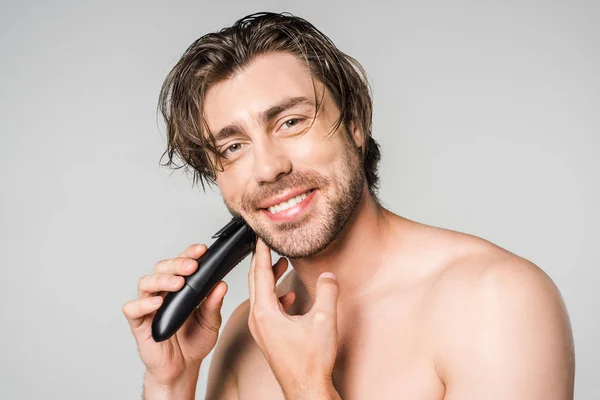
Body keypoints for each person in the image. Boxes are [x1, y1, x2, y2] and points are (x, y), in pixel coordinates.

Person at [122, 12, 575, 399]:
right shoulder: (249, 331)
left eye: (291, 122)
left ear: (355, 125)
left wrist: (306, 387)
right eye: (234, 147)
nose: (267, 168)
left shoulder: (496, 301)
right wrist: (171, 384)